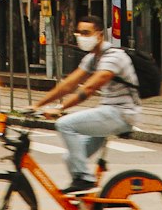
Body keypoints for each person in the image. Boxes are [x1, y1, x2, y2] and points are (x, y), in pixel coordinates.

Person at [35, 13, 141, 195]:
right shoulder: (93, 58)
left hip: (121, 113)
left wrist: (60, 109)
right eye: (79, 33)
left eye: (86, 33)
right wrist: (37, 105)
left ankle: (85, 180)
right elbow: (68, 84)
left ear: (99, 35)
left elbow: (89, 88)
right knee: (71, 158)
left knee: (64, 124)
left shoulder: (113, 57)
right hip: (108, 112)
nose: (82, 37)